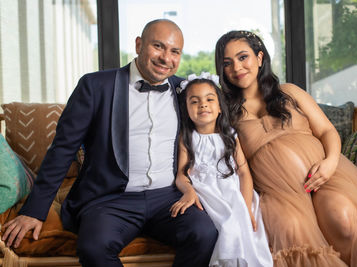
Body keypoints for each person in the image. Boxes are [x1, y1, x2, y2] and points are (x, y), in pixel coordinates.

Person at [1, 19, 218, 267]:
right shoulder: (95, 86)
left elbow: (218, 127)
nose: (165, 57)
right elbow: (63, 149)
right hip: (109, 199)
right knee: (93, 247)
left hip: (168, 198)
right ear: (139, 45)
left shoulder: (185, 91)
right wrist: (34, 210)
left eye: (174, 51)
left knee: (205, 234)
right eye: (158, 46)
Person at [215, 30, 357, 267]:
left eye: (243, 57)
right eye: (227, 63)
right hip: (278, 192)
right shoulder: (226, 113)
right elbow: (234, 164)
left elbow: (326, 131)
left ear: (260, 58)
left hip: (324, 175)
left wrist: (331, 161)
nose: (237, 67)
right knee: (291, 231)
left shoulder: (289, 92)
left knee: (342, 218)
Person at [169, 73, 273, 267]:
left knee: (243, 223)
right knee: (228, 226)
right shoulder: (187, 137)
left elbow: (243, 173)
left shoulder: (230, 136)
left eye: (209, 99)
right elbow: (181, 175)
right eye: (194, 101)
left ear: (219, 108)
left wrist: (246, 205)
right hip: (206, 193)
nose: (203, 105)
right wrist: (189, 191)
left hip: (233, 191)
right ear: (186, 109)